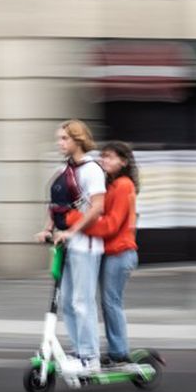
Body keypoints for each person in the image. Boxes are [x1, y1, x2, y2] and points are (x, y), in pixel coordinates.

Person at [34, 120, 106, 374]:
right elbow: (54, 206)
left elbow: (97, 207)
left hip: (86, 245)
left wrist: (72, 231)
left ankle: (90, 358)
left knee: (82, 302)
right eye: (59, 138)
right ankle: (79, 352)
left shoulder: (92, 170)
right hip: (65, 245)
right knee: (67, 302)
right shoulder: (63, 169)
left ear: (78, 140)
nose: (60, 143)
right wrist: (47, 229)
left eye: (64, 138)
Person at [64, 141, 139, 365]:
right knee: (104, 302)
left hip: (120, 253)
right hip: (110, 252)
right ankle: (113, 350)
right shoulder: (111, 184)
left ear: (123, 162)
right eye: (103, 156)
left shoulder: (124, 185)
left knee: (110, 302)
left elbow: (110, 225)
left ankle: (119, 352)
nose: (103, 160)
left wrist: (74, 219)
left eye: (110, 157)